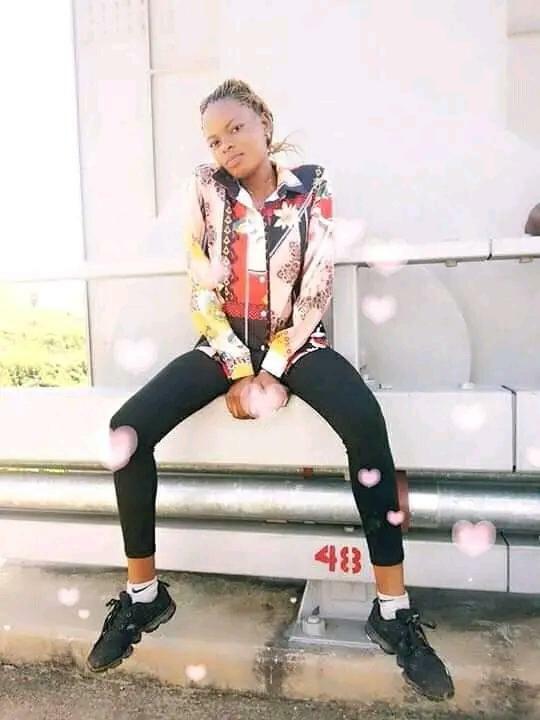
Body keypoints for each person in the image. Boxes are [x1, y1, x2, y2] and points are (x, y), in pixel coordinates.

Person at [86, 78, 454, 702]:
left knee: (366, 422)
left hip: (297, 343)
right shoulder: (206, 189)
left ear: (263, 121)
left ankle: (393, 612)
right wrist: (238, 368)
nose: (226, 145)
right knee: (126, 432)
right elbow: (201, 284)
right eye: (213, 139)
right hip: (223, 344)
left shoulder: (311, 186)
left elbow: (317, 285)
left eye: (236, 128)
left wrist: (273, 368)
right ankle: (143, 596)